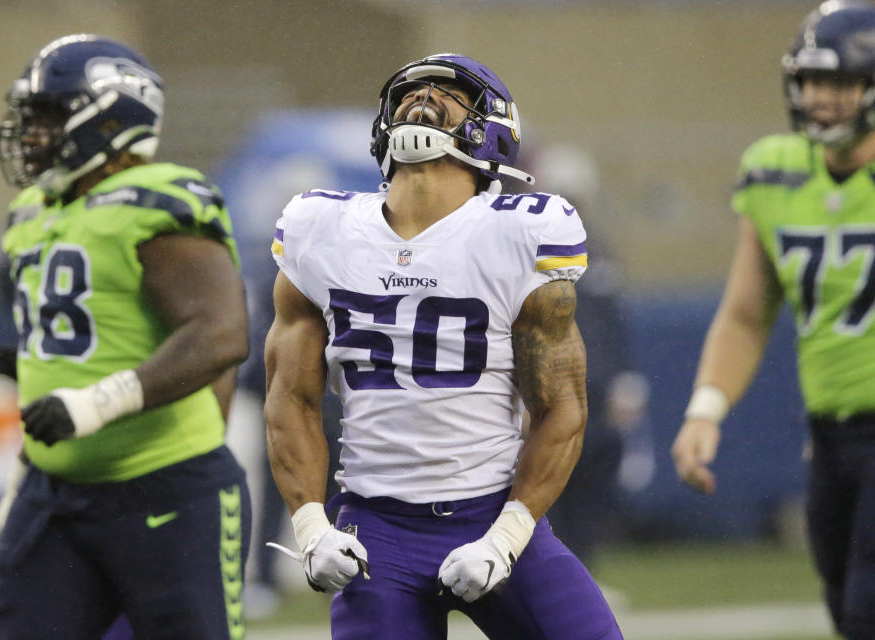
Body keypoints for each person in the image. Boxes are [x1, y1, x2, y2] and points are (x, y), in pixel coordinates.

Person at [263, 53, 623, 639]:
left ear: (495, 129)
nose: (423, 96)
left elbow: (561, 409)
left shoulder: (519, 233)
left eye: (449, 91)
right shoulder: (319, 229)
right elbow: (291, 399)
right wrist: (310, 525)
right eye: (411, 89)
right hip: (374, 529)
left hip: (489, 513)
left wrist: (505, 539)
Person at [0, 34, 250, 640]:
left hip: (164, 485)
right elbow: (89, 341)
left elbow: (218, 336)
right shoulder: (34, 209)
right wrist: (12, 363)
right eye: (29, 118)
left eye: (49, 116)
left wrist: (94, 404)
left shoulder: (158, 199)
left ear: (111, 114)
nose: (31, 133)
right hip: (54, 490)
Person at [671, 3, 875, 638]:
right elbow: (746, 313)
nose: (822, 98)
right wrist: (706, 408)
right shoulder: (773, 170)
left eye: (841, 82)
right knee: (846, 608)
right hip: (832, 433)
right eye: (813, 80)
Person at [529, 145, 651, 571]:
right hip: (545, 385)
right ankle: (553, 576)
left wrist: (624, 379)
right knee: (547, 483)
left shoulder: (596, 246)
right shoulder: (525, 243)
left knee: (588, 483)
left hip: (590, 386)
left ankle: (579, 575)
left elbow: (611, 320)